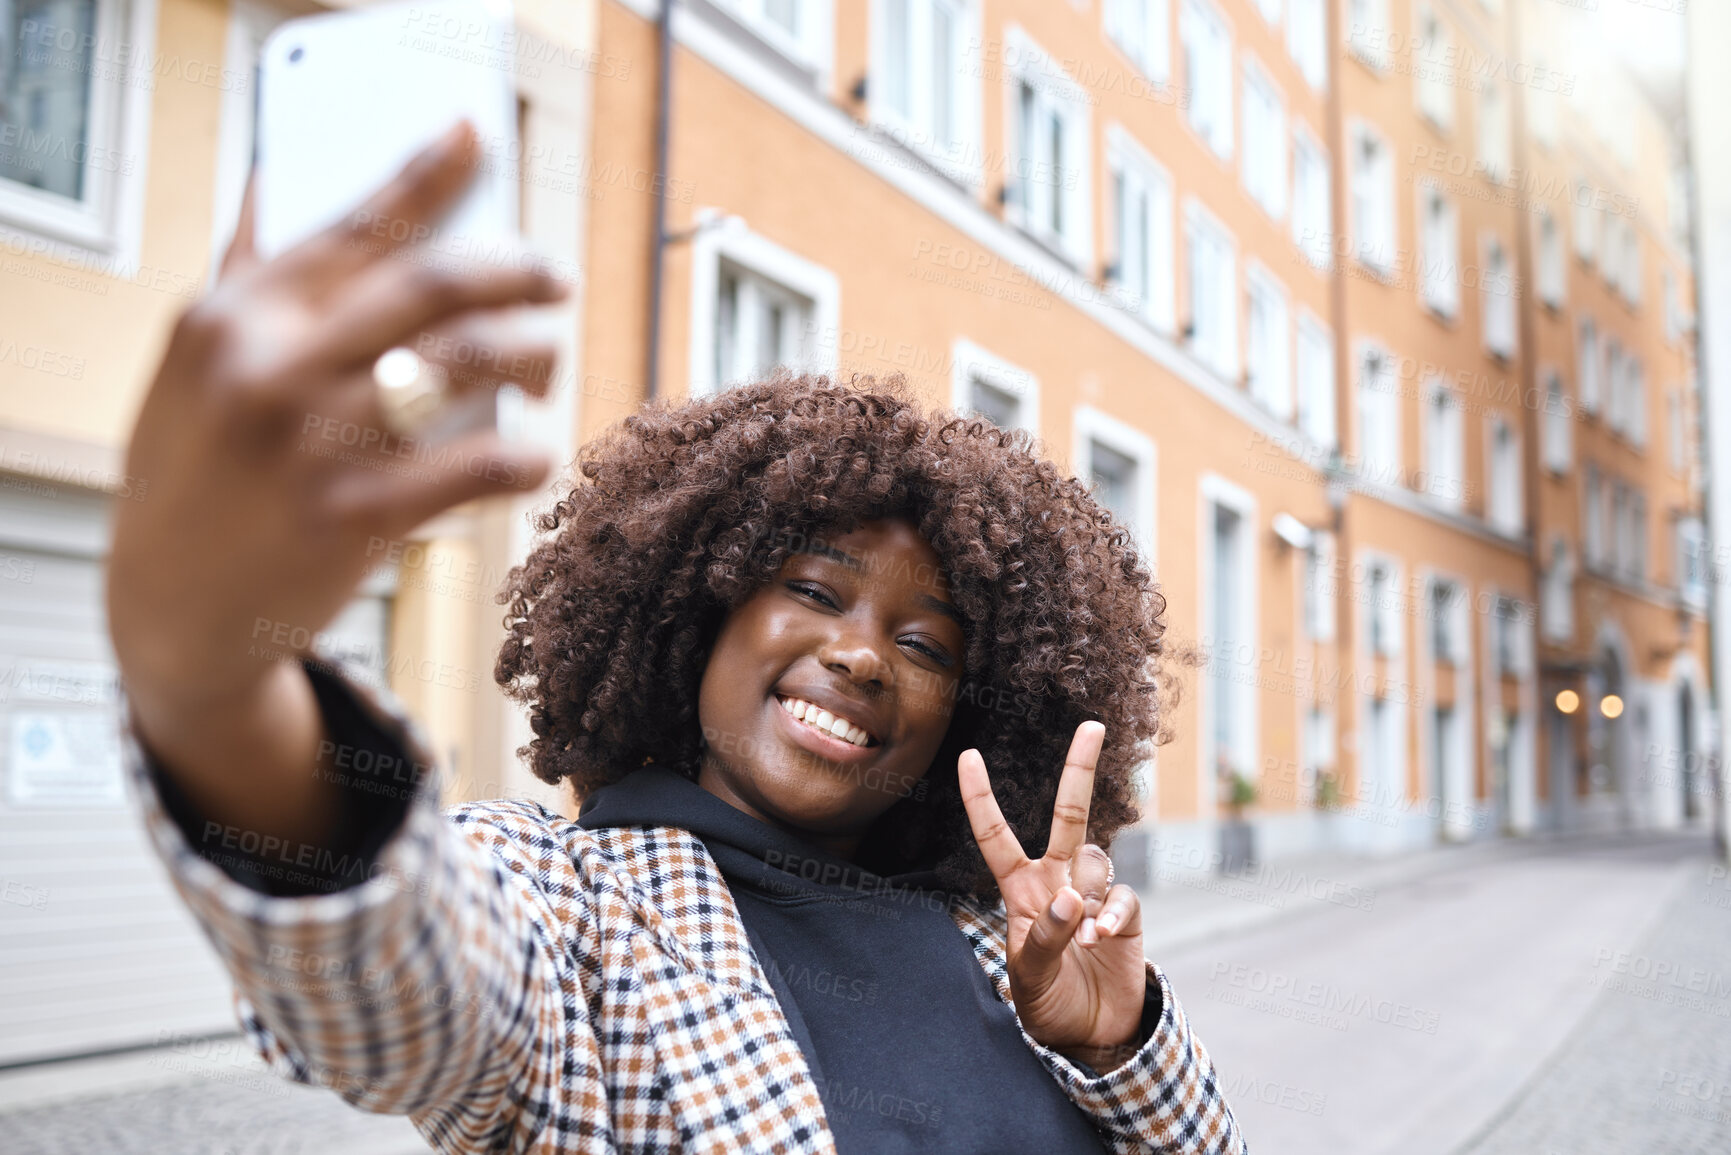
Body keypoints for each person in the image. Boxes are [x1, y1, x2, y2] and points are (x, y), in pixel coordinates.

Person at [108, 122, 1247, 1153]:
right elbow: (391, 985)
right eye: (814, 589)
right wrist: (208, 677)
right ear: (701, 614)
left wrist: (1120, 1041)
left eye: (927, 646)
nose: (861, 656)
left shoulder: (1008, 944)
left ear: (975, 712)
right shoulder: (567, 906)